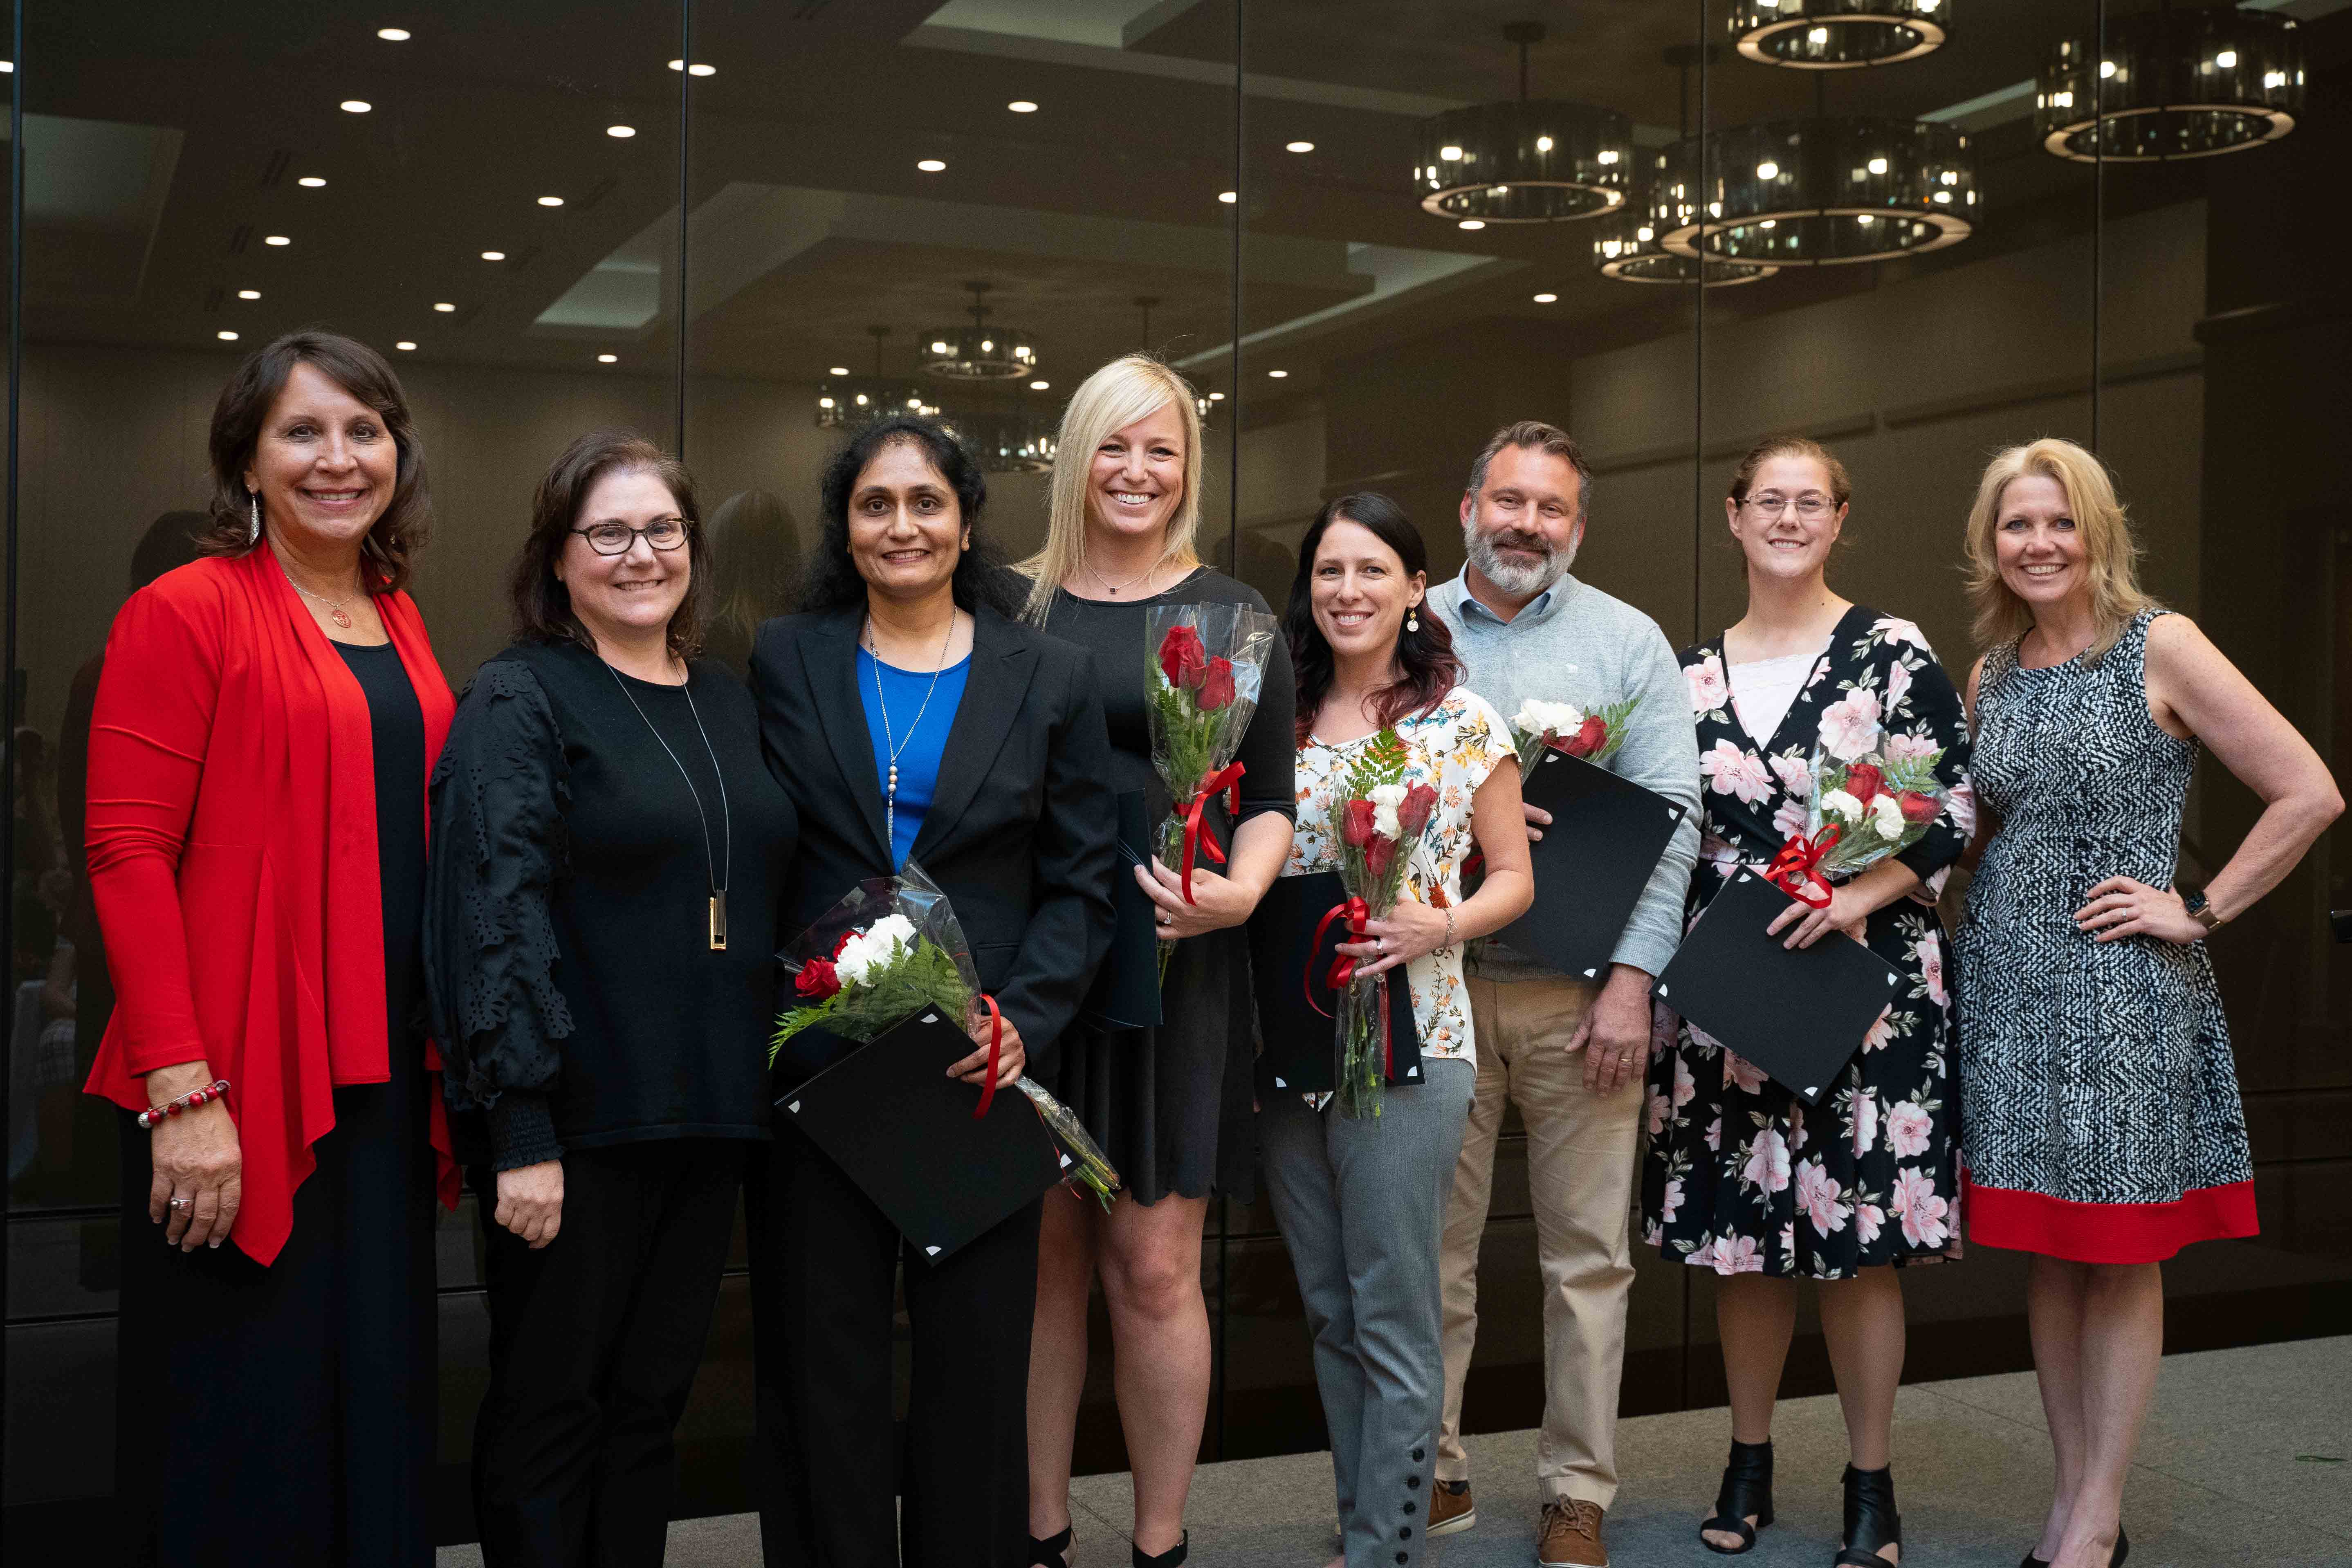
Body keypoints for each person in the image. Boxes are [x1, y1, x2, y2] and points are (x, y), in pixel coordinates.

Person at [81, 330, 456, 1565]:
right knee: (248, 1423)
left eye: (364, 430)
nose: (338, 459)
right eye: (303, 431)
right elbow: (128, 854)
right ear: (245, 458)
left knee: (375, 1403)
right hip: (243, 1080)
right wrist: (182, 1090)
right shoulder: (184, 609)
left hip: (384, 1079)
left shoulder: (395, 616)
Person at [1955, 438, 2341, 1568]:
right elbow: (1983, 838)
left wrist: (2200, 906)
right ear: (1991, 543)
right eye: (2017, 525)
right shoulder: (1994, 673)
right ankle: (2072, 1497)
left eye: (2060, 522)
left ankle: (2100, 1515)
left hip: (2122, 993)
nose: (2039, 544)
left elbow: (2308, 788)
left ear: (2098, 531)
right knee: (2050, 1248)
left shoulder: (2157, 645)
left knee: (2120, 1251)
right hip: (2012, 995)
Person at [748, 414, 1119, 1568]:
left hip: (976, 1066)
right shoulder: (785, 657)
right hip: (824, 1067)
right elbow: (759, 853)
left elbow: (1084, 882)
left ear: (964, 525)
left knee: (973, 1370)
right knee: (827, 1366)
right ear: (846, 530)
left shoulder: (1050, 673)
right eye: (875, 505)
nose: (901, 525)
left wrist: (1026, 1020)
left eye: (924, 503)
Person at [424, 432, 797, 1566]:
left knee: (650, 1411)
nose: (642, 554)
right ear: (559, 556)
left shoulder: (731, 700)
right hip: (577, 1129)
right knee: (553, 1411)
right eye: (611, 533)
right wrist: (521, 1127)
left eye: (664, 530)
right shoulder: (519, 695)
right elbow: (496, 907)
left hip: (711, 1116)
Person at [1639, 437, 1973, 1566]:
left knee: (1859, 1244)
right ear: (1733, 518)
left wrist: (1857, 896)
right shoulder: (1682, 677)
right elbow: (1666, 838)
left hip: (1863, 983)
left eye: (1809, 502)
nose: (1788, 517)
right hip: (1736, 990)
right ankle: (1748, 1455)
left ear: (1839, 519)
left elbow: (1951, 806)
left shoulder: (1891, 651)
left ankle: (1870, 1481)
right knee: (1747, 1243)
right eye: (1767, 500)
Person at [1019, 354, 1297, 1568]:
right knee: (1042, 1260)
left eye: (1164, 449)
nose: (1139, 471)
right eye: (1116, 446)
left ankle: (1160, 1543)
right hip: (1037, 971)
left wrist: (1241, 888)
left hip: (1180, 975)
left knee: (1153, 1262)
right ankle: (1035, 1533)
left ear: (1187, 466)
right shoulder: (1005, 604)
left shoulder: (1235, 612)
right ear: (1077, 455)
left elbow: (1275, 795)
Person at [1423, 421, 1702, 1568]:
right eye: (1508, 499)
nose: (1525, 523)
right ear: (1468, 507)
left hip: (1581, 1000)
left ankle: (1575, 1490)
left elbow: (1674, 819)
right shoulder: (1406, 623)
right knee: (1425, 1247)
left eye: (1550, 508)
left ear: (1577, 526)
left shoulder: (1628, 643)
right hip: (1433, 986)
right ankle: (1425, 1463)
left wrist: (1636, 978)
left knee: (1586, 1260)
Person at [1265, 492, 1534, 1568]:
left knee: (1394, 1308)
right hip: (1289, 1043)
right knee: (1330, 1308)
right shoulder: (1268, 714)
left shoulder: (1462, 722)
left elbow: (1515, 874)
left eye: (1373, 569)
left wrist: (1444, 918)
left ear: (1416, 586)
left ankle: (1388, 1546)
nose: (1349, 590)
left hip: (1416, 1036)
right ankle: (1361, 1526)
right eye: (1330, 570)